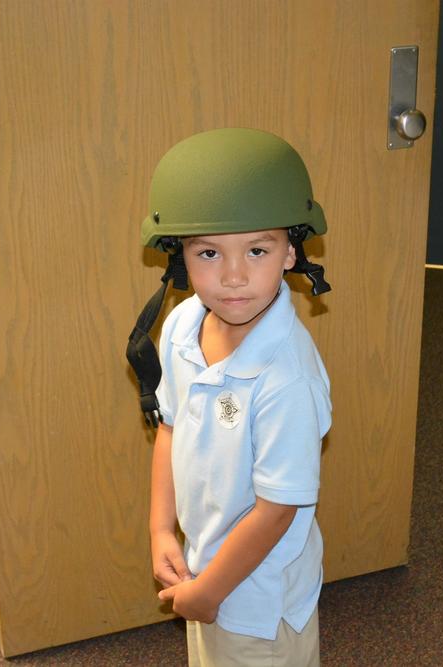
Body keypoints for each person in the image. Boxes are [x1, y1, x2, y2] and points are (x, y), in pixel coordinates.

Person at [127, 128, 332, 666]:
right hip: (208, 570)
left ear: (291, 252)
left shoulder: (287, 376)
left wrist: (211, 590)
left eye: (257, 250)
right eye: (210, 253)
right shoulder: (180, 327)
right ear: (180, 257)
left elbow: (278, 508)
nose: (234, 276)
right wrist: (160, 528)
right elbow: (170, 429)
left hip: (260, 602)